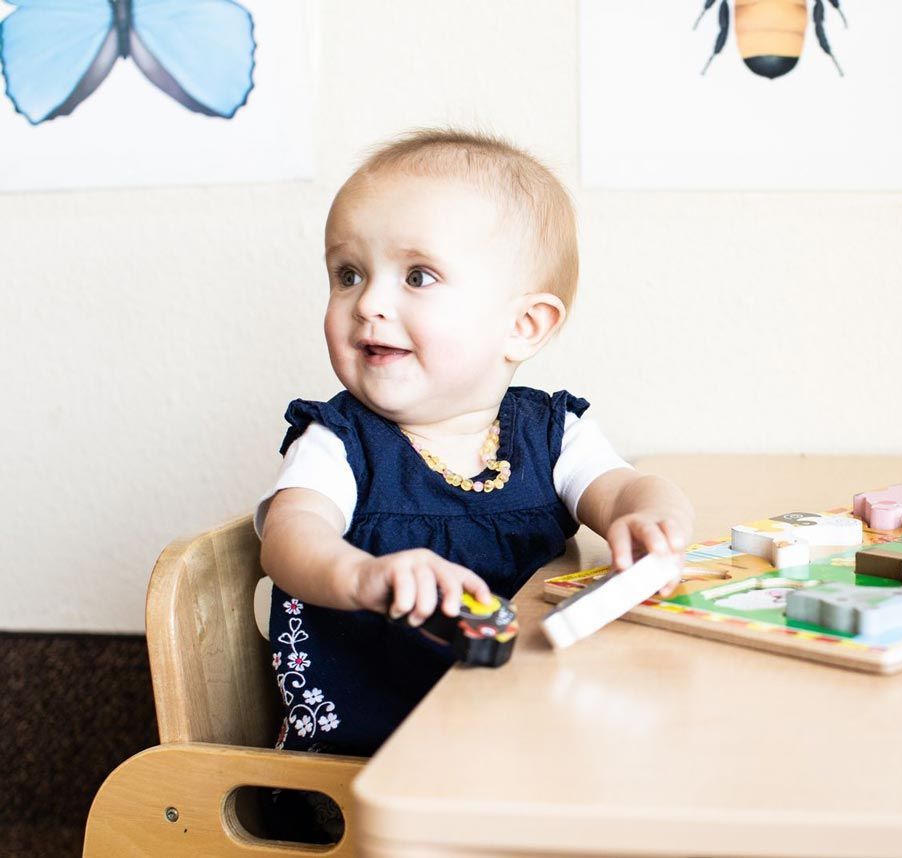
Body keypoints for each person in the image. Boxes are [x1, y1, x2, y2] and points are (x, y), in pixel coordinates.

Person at [255, 128, 695, 761]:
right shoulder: (338, 442)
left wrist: (653, 516)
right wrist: (362, 575)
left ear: (523, 326)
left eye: (418, 275)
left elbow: (623, 487)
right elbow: (291, 539)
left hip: (524, 734)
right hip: (369, 756)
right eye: (348, 274)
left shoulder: (551, 432)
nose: (369, 302)